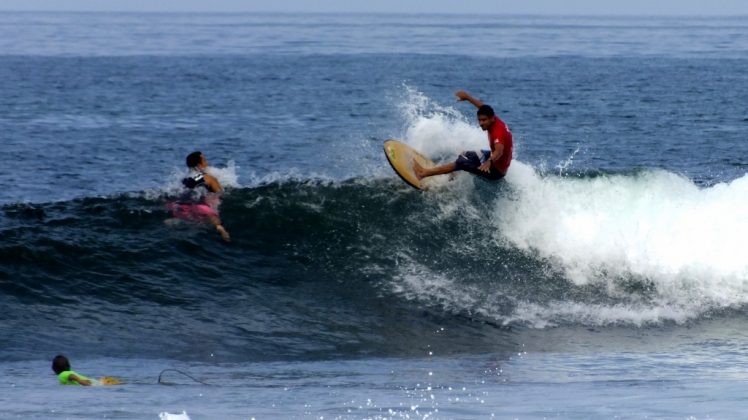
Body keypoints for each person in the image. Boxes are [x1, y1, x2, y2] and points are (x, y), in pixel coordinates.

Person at [413, 90, 513, 181]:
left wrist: (489, 162)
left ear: (491, 119)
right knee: (465, 154)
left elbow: (499, 151)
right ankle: (451, 177)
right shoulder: (493, 118)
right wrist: (467, 97)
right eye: (479, 120)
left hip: (495, 171)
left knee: (461, 162)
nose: (481, 123)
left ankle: (423, 174)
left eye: (484, 120)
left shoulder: (498, 133)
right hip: (495, 160)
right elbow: (482, 107)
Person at [167, 151, 231, 242]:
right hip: (200, 208)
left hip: (180, 207)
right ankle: (220, 228)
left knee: (185, 218)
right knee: (214, 220)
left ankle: (174, 221)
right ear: (199, 164)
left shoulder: (184, 179)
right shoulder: (208, 178)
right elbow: (220, 193)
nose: (207, 163)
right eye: (204, 160)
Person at [51, 354, 121, 386]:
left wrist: (81, 382)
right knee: (115, 383)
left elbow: (71, 376)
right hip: (92, 381)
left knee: (107, 384)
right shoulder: (68, 372)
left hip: (90, 383)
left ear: (55, 368)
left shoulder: (62, 374)